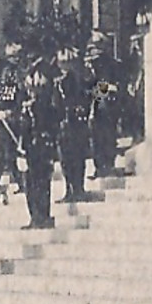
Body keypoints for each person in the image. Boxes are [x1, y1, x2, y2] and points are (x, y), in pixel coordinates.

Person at [53, 46, 93, 203]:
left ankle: (75, 190)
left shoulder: (72, 81)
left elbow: (89, 96)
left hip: (71, 125)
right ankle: (74, 190)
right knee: (72, 159)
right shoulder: (74, 80)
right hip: (69, 124)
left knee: (72, 159)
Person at [19, 67, 59, 229]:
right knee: (41, 184)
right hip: (41, 149)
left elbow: (26, 130)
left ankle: (38, 217)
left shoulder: (34, 108)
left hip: (36, 150)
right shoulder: (48, 106)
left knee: (35, 184)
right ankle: (42, 216)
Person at [0, 38, 27, 200]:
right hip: (0, 119)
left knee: (9, 154)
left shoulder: (20, 75)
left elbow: (21, 99)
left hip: (12, 121)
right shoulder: (1, 74)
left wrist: (10, 113)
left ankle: (21, 183)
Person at [87, 31, 123, 179]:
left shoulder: (111, 64)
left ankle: (106, 166)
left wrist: (96, 91)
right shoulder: (92, 64)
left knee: (106, 136)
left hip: (106, 105)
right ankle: (100, 167)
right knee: (98, 138)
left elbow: (110, 85)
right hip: (98, 105)